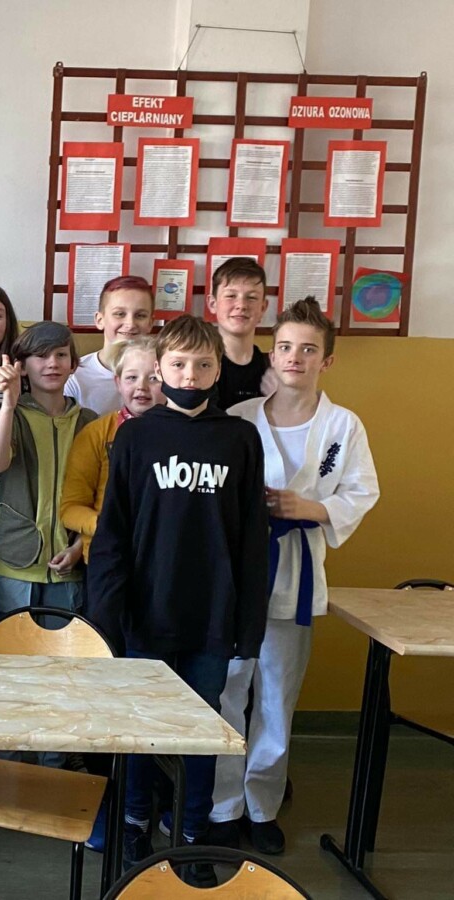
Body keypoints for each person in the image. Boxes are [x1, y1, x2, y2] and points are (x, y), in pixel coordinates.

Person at [85, 315, 268, 887]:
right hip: (146, 614)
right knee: (141, 727)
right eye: (180, 364)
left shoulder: (240, 439)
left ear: (219, 370)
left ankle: (191, 835)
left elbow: (252, 538)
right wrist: (104, 619)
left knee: (202, 730)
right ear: (160, 369)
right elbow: (113, 534)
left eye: (204, 364)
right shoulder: (136, 437)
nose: (191, 374)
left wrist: (249, 628)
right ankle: (135, 819)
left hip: (211, 618)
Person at [211, 298, 379, 854]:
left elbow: (362, 491)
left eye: (308, 349)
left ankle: (261, 807)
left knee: (277, 696)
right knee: (227, 690)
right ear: (272, 353)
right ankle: (221, 807)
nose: (294, 358)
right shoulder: (239, 419)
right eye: (285, 347)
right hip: (238, 573)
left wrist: (311, 508)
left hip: (297, 570)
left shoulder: (342, 425)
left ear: (326, 361)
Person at [0, 322, 96, 616]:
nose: (52, 363)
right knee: (12, 643)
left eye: (61, 355)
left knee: (64, 645)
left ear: (73, 364)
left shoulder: (89, 422)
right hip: (14, 562)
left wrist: (79, 547)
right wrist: (8, 405)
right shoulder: (8, 414)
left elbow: (99, 493)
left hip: (68, 564)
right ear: (21, 366)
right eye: (41, 356)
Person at [60, 336, 163, 564]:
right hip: (107, 556)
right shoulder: (96, 433)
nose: (141, 386)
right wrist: (106, 525)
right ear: (118, 382)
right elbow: (70, 508)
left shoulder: (183, 434)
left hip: (162, 556)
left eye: (154, 378)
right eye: (131, 377)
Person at [66, 276, 155, 416]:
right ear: (100, 320)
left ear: (150, 323)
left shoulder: (165, 374)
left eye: (140, 315)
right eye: (120, 314)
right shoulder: (74, 377)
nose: (130, 324)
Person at [207, 257, 273, 410]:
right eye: (231, 296)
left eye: (251, 297)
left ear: (263, 307)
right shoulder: (196, 365)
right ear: (212, 303)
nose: (241, 305)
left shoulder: (274, 371)